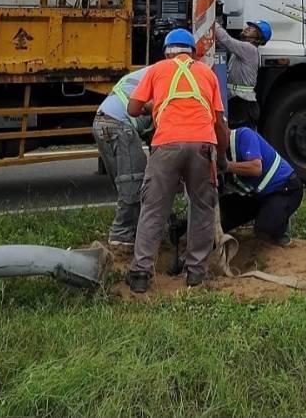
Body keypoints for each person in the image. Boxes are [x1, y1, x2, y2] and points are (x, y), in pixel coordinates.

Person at [125, 28, 228, 293]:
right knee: (203, 208)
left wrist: (155, 105)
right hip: (203, 145)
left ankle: (140, 274)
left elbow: (133, 109)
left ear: (167, 52)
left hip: (166, 143)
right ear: (192, 52)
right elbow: (219, 124)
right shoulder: (207, 73)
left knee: (153, 209)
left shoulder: (157, 70)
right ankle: (195, 274)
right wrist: (222, 159)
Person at [92, 67, 152, 248]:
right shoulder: (166, 76)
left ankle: (134, 230)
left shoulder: (150, 71)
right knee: (134, 182)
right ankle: (122, 235)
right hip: (120, 125)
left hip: (101, 122)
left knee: (124, 183)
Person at [220, 125, 303, 246]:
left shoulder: (244, 135)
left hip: (286, 188)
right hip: (259, 195)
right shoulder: (219, 150)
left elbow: (256, 168)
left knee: (265, 229)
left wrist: (227, 166)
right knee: (223, 211)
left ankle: (281, 230)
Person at [215, 19, 271, 128]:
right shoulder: (241, 50)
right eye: (249, 26)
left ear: (259, 37)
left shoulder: (249, 49)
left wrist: (212, 22)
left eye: (254, 29)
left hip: (243, 104)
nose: (248, 28)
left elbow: (226, 40)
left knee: (241, 140)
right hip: (238, 101)